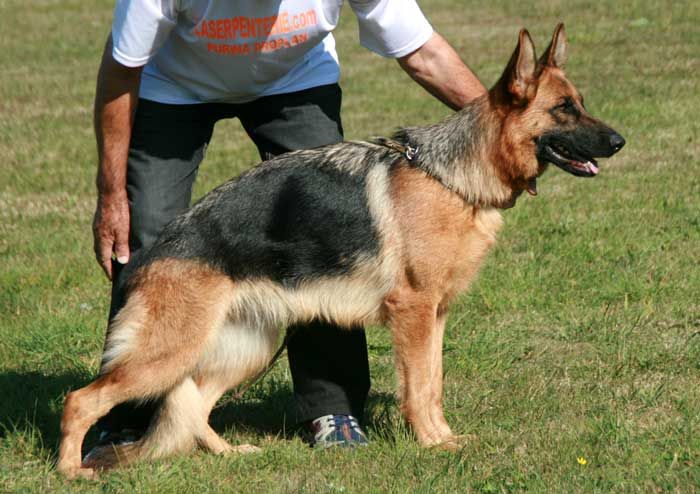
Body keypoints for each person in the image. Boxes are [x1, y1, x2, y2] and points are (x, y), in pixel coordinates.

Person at [88, 0, 486, 457]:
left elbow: (423, 52)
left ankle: (331, 407)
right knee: (147, 234)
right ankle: (129, 418)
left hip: (294, 80)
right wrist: (112, 193)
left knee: (331, 233)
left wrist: (502, 127)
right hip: (174, 84)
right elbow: (121, 71)